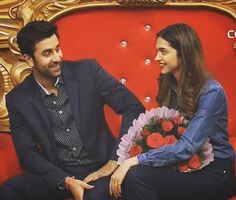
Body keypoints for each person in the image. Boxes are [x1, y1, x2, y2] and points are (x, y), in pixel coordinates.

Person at [1, 20, 145, 200]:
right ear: (29, 60)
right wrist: (65, 181)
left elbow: (133, 107)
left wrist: (114, 160)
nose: (57, 57)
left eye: (57, 48)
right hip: (58, 176)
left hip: (99, 170)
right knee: (11, 189)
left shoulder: (88, 71)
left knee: (93, 198)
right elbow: (26, 153)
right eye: (47, 53)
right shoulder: (18, 99)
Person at [109, 23, 236, 200]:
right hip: (185, 165)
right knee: (134, 177)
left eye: (163, 51)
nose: (156, 57)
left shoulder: (211, 92)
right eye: (157, 51)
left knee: (137, 175)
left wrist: (134, 160)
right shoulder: (170, 84)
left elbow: (187, 146)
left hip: (215, 170)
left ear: (183, 54)